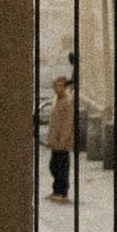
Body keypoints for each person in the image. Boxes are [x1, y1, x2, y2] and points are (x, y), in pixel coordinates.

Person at [45, 69, 76, 202]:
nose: (58, 88)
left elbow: (68, 122)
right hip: (55, 140)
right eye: (56, 85)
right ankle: (56, 190)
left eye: (61, 85)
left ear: (65, 87)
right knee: (53, 166)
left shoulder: (67, 101)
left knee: (61, 167)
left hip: (62, 141)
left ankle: (62, 192)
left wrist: (63, 140)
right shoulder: (56, 99)